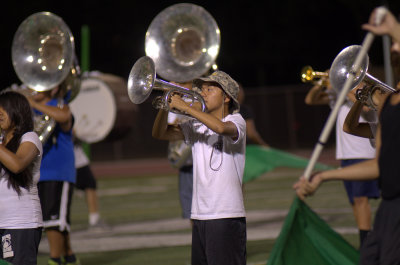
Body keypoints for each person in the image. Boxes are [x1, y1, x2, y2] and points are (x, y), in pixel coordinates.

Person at [294, 8, 400, 265]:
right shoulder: (388, 108)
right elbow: (376, 165)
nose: (394, 47)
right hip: (389, 208)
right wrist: (322, 176)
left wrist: (394, 28)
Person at [152, 71, 247, 265]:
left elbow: (220, 128)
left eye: (210, 89)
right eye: (201, 89)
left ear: (226, 97)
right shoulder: (196, 125)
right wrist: (166, 104)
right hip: (200, 215)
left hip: (225, 215)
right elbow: (160, 134)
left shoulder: (237, 121)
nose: (203, 93)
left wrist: (186, 107)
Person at [304, 71, 379, 248]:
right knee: (354, 201)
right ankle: (365, 240)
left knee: (361, 199)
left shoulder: (365, 90)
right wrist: (322, 82)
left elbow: (367, 109)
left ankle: (366, 244)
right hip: (346, 154)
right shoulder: (338, 95)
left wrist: (343, 89)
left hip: (363, 153)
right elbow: (310, 99)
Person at [27, 86, 80, 265]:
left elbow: (64, 117)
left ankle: (55, 259)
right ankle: (69, 256)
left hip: (58, 171)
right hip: (36, 172)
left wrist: (33, 103)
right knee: (55, 219)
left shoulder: (60, 105)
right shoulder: (30, 109)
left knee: (54, 219)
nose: (32, 88)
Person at [0, 91, 43, 265]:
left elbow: (17, 164)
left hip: (21, 222)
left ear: (17, 111)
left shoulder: (30, 138)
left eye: (4, 109)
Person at [73, 139, 108, 231]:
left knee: (90, 184)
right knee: (90, 184)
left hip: (76, 156)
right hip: (71, 157)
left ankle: (94, 218)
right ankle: (94, 219)